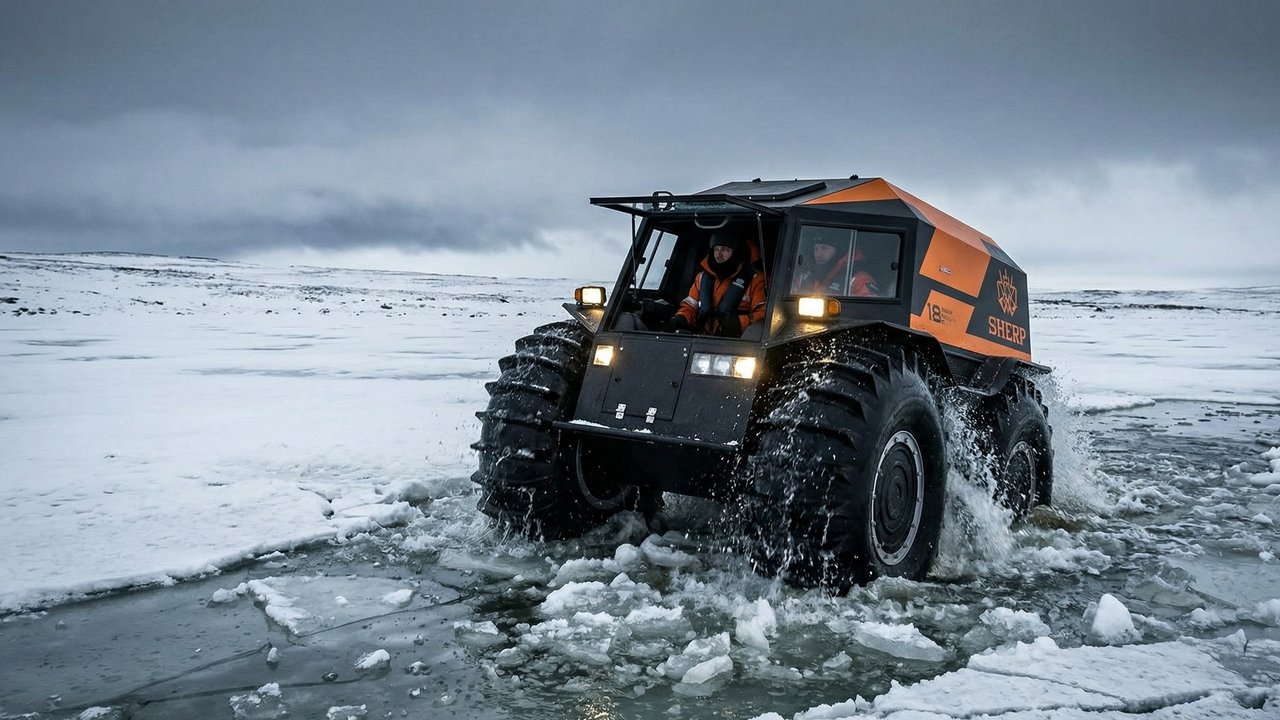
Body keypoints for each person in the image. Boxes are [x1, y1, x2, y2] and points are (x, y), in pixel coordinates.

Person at [666, 231, 766, 337]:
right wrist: (681, 318)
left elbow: (764, 315)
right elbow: (690, 306)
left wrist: (738, 323)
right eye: (716, 249)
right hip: (702, 338)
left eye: (725, 250)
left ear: (736, 252)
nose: (719, 254)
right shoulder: (701, 278)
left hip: (737, 341)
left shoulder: (756, 280)